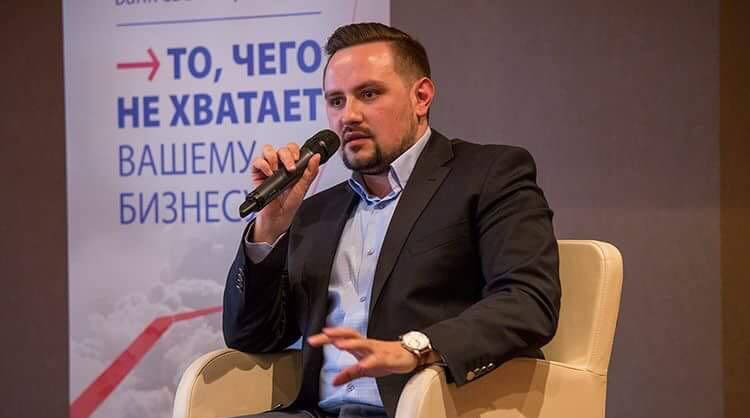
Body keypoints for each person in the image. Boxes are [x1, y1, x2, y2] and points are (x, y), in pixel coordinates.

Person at [223, 22, 561, 418]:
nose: (348, 116)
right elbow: (253, 337)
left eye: (368, 94)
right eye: (336, 101)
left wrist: (417, 349)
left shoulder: (488, 175)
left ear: (421, 97)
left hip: (432, 408)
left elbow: (527, 302)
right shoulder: (317, 211)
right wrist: (271, 225)